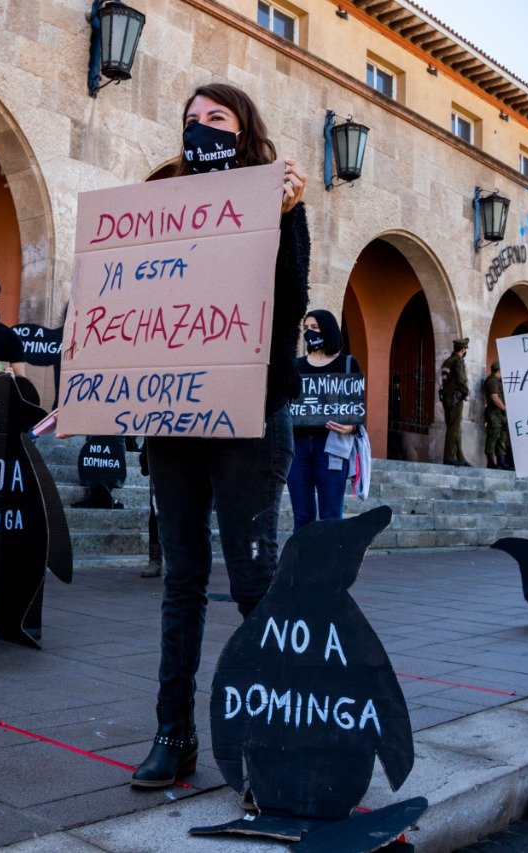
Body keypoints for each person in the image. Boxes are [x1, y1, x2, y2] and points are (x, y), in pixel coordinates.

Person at [131, 82, 309, 790]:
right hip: (173, 416)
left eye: (217, 118)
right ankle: (173, 733)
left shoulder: (277, 200)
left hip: (249, 414)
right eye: (191, 120)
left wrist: (285, 216)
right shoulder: (160, 194)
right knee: (183, 579)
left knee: (253, 580)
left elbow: (290, 306)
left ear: (244, 131)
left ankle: (280, 730)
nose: (201, 128)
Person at [286, 309, 359, 531]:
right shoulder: (296, 365)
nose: (309, 333)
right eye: (306, 328)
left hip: (332, 446)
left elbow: (356, 404)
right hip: (297, 446)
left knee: (331, 515)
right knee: (302, 514)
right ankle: (302, 564)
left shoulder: (347, 364)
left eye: (315, 328)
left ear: (328, 329)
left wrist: (351, 426)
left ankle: (329, 565)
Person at [440, 337, 470, 466]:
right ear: (463, 349)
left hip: (447, 398)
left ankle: (460, 457)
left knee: (453, 427)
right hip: (455, 399)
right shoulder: (458, 361)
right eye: (465, 349)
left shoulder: (447, 361)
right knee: (453, 428)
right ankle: (449, 457)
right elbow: (461, 379)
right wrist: (466, 392)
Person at [483, 361, 511, 470]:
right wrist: (505, 408)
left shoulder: (499, 381)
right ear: (499, 370)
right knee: (493, 437)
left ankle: (501, 462)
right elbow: (494, 397)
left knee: (501, 438)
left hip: (500, 414)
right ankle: (491, 462)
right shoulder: (492, 381)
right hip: (494, 414)